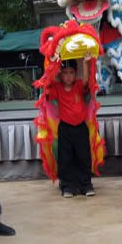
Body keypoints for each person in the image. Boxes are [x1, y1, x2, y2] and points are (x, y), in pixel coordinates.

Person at [45, 59, 97, 198]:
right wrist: (52, 65)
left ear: (75, 74)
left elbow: (86, 81)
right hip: (65, 129)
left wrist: (85, 63)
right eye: (65, 73)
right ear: (61, 74)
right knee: (65, 159)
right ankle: (67, 186)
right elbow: (48, 86)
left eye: (71, 73)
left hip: (80, 128)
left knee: (84, 157)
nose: (68, 76)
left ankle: (86, 185)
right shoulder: (57, 88)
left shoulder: (79, 85)